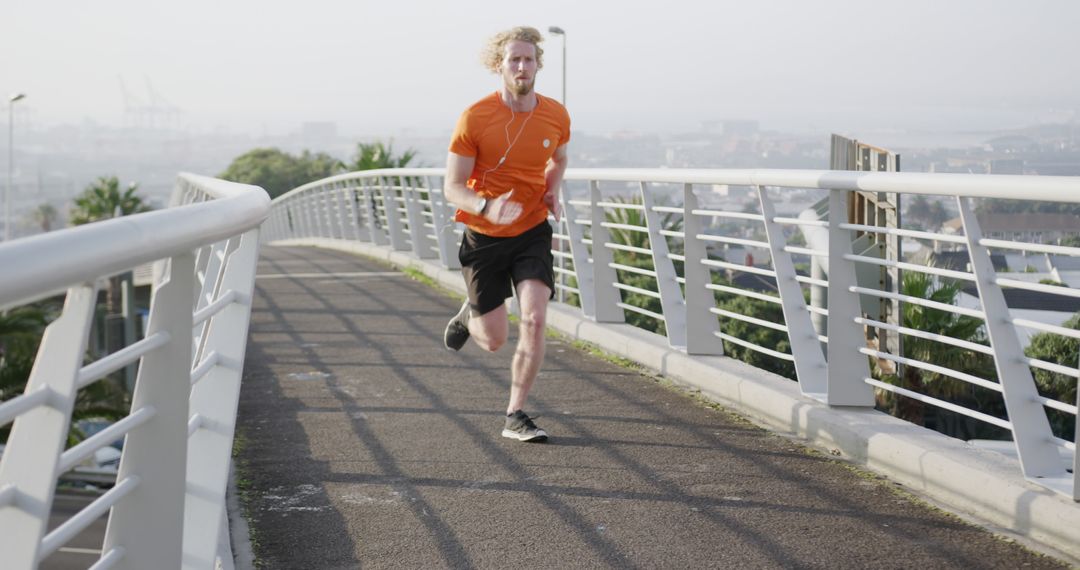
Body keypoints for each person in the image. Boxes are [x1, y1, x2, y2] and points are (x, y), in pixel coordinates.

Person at [441, 26, 570, 443]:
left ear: (537, 65)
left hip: (531, 229)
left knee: (534, 318)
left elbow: (559, 158)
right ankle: (470, 314)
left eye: (528, 59)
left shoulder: (555, 114)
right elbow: (452, 186)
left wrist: (552, 189)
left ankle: (516, 413)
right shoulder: (475, 117)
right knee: (494, 340)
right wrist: (486, 206)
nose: (521, 66)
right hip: (484, 235)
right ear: (500, 65)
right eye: (514, 59)